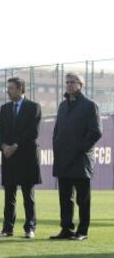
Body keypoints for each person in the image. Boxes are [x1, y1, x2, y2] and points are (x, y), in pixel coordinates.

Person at [50, 73, 102, 241]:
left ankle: (83, 231)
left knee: (82, 199)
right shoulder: (63, 106)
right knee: (65, 198)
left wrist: (80, 149)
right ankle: (66, 229)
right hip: (63, 159)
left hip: (80, 160)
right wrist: (57, 146)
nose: (69, 85)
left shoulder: (90, 105)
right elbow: (57, 131)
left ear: (81, 85)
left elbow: (96, 132)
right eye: (67, 82)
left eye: (73, 82)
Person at [0, 77, 42, 239]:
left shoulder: (33, 107)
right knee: (9, 196)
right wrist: (4, 146)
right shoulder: (4, 108)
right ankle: (7, 228)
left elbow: (32, 132)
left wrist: (15, 146)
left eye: (12, 88)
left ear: (21, 89)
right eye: (8, 88)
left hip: (26, 156)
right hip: (9, 157)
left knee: (28, 196)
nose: (8, 91)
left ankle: (30, 228)